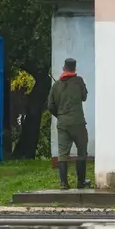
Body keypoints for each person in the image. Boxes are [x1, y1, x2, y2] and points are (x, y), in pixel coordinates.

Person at [47, 57, 90, 190]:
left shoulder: (56, 85)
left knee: (63, 153)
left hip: (63, 124)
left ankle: (64, 183)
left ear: (63, 68)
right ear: (74, 69)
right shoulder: (79, 81)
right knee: (82, 152)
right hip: (78, 122)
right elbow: (84, 97)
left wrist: (60, 116)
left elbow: (50, 106)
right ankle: (81, 182)